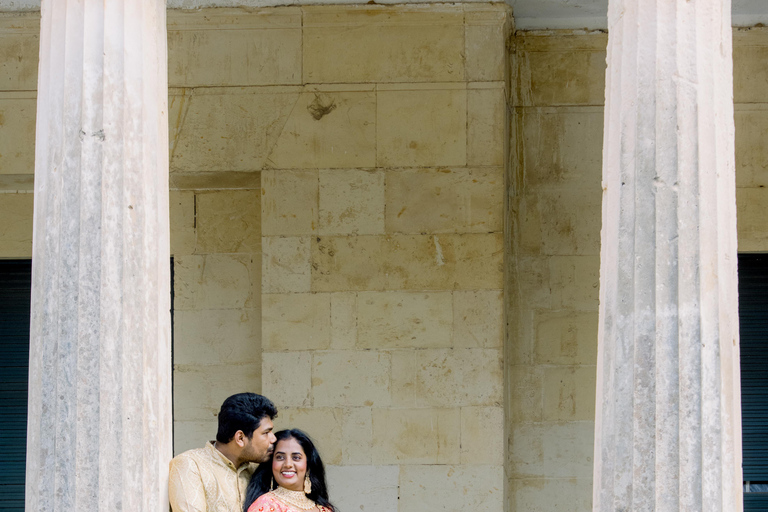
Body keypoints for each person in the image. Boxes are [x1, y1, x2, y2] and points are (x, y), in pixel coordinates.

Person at [169, 392, 278, 512]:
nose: (273, 439)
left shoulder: (257, 468)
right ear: (240, 438)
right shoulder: (191, 465)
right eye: (266, 433)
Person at [243, 429, 336, 512]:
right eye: (280, 457)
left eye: (296, 457)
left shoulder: (324, 509)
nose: (288, 464)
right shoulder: (265, 505)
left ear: (308, 465)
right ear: (271, 464)